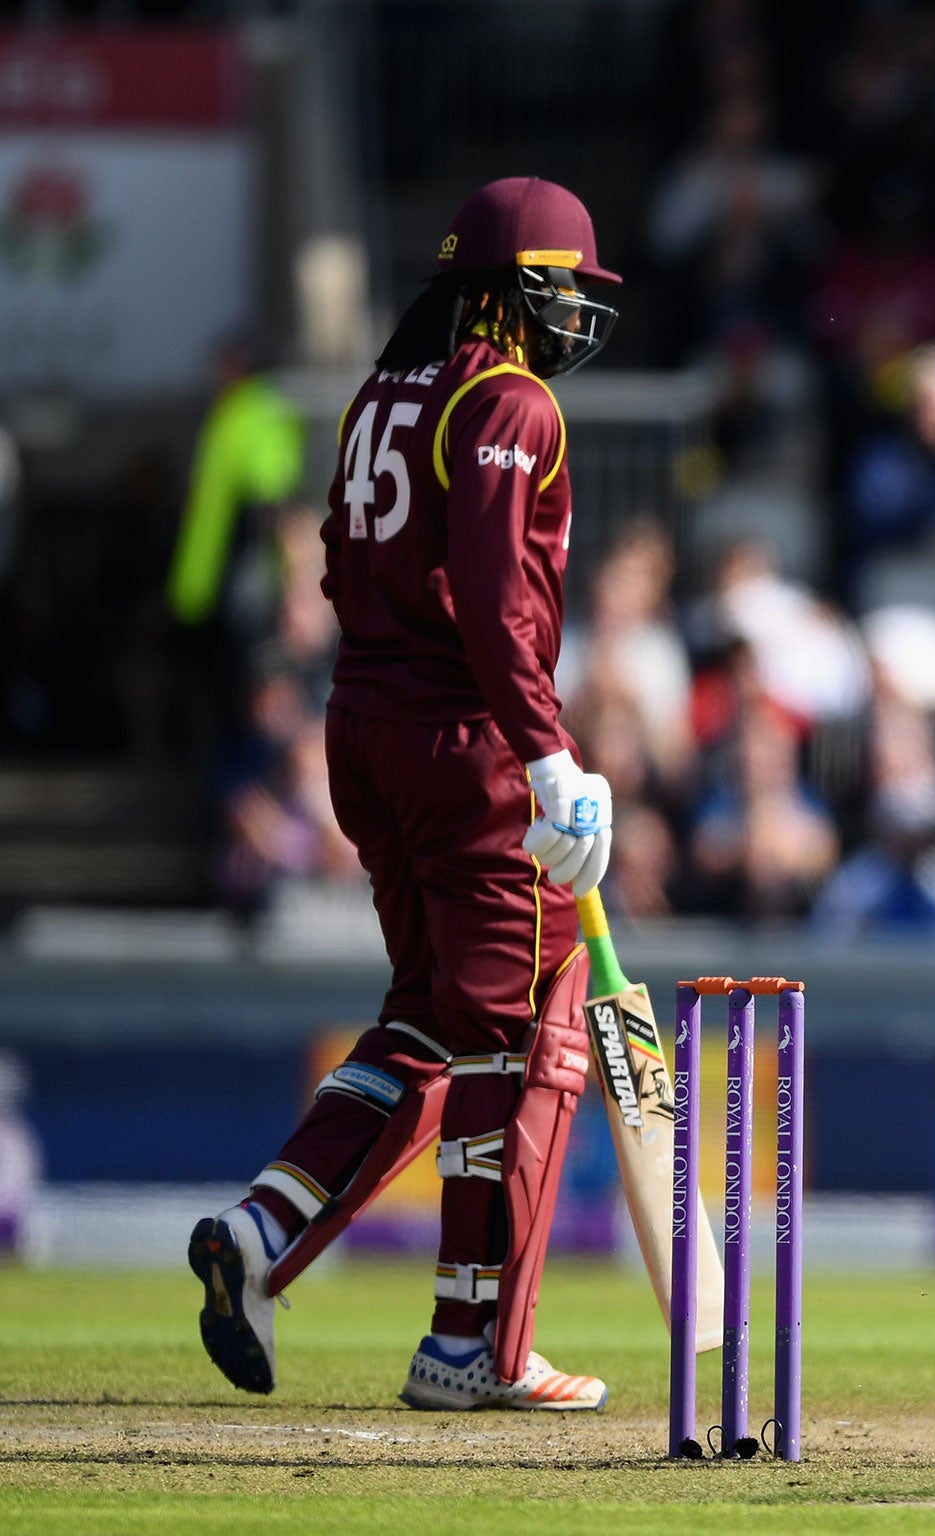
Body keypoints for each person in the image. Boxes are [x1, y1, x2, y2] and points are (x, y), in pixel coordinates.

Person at [186, 178, 623, 1411]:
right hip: (468, 743)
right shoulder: (511, 400)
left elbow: (334, 556)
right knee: (524, 1034)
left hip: (365, 731)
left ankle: (262, 1232)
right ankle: (471, 1344)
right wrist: (544, 754)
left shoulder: (381, 394)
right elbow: (491, 599)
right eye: (561, 285)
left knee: (429, 1020)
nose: (575, 312)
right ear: (501, 287)